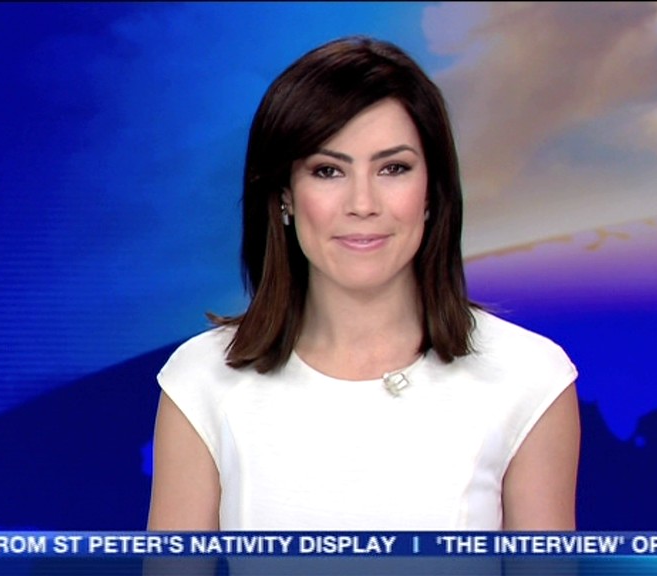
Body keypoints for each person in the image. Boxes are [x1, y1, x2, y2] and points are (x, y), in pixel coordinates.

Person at [147, 35, 579, 531]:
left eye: (393, 168)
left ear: (431, 191)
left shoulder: (529, 377)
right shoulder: (202, 380)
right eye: (328, 171)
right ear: (285, 195)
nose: (363, 204)